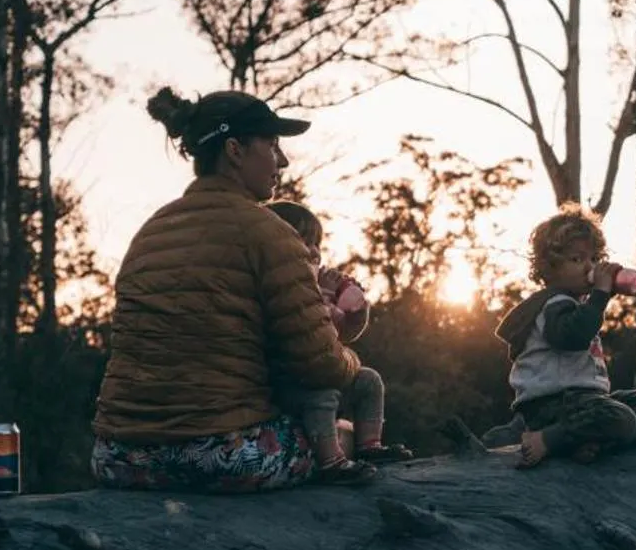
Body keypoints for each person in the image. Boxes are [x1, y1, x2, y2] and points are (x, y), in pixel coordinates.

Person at [90, 88, 377, 490]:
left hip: (119, 457)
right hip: (219, 457)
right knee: (342, 433)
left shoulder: (151, 231)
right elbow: (320, 365)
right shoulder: (271, 234)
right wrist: (349, 356)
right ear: (234, 150)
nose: (283, 160)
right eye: (273, 145)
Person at [494, 205, 636, 468]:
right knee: (621, 419)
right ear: (549, 269)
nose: (589, 267)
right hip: (552, 404)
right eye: (577, 259)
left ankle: (586, 443)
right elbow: (572, 338)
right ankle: (545, 440)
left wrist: (599, 297)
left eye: (594, 259)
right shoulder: (553, 304)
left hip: (583, 403)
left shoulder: (577, 304)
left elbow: (584, 323)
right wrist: (600, 296)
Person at [263, 201, 410, 469]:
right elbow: (307, 324)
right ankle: (331, 461)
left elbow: (345, 333)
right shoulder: (280, 285)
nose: (314, 251)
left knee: (369, 381)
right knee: (323, 395)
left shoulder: (318, 283)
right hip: (288, 382)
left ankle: (369, 446)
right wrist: (329, 300)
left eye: (317, 243)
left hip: (324, 369)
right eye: (305, 242)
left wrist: (356, 312)